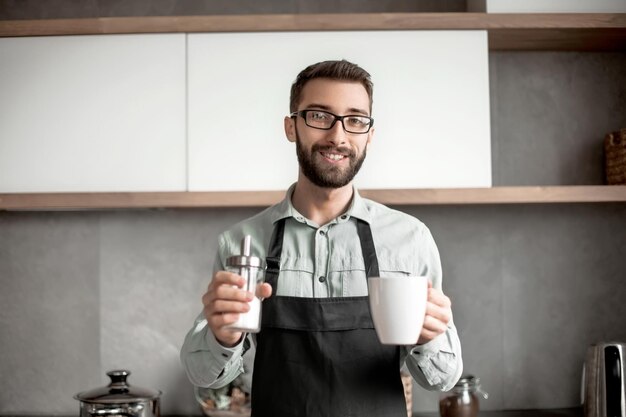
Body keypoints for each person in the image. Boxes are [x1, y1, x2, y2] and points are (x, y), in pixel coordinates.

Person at [181, 59, 463, 417]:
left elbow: (443, 379)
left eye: (355, 120)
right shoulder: (242, 242)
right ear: (290, 126)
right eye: (319, 115)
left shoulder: (409, 239)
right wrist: (222, 336)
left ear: (370, 135)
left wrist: (430, 337)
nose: (338, 135)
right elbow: (202, 374)